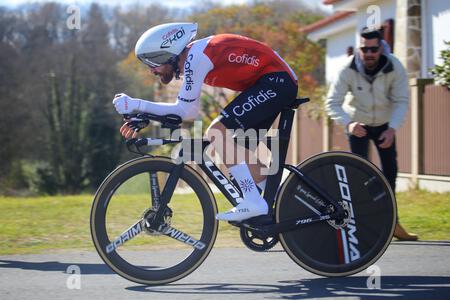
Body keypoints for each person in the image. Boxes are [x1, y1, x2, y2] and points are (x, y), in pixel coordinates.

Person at [112, 22, 298, 221]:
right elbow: (182, 111)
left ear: (169, 53)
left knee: (217, 132)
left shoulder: (196, 57)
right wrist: (144, 114)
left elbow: (186, 111)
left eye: (153, 62)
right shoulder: (194, 57)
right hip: (270, 83)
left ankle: (254, 201)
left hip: (277, 82)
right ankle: (289, 206)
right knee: (241, 162)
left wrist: (137, 105)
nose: (151, 70)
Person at [326, 27, 419, 241]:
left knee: (390, 173)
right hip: (357, 125)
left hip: (385, 126)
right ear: (359, 48)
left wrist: (392, 128)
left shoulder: (394, 66)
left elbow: (401, 100)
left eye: (373, 49)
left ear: (381, 48)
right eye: (364, 49)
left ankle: (393, 223)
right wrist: (348, 124)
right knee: (358, 176)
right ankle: (362, 223)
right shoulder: (346, 68)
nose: (369, 53)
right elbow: (332, 102)